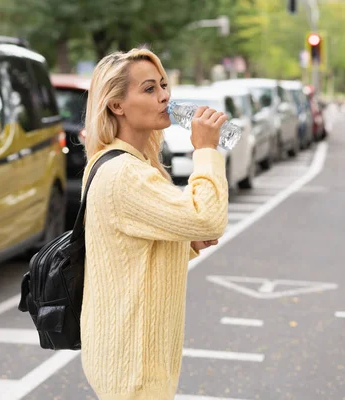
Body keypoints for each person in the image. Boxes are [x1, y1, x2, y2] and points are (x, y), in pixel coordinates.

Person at [80, 47, 229, 400]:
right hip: (134, 366)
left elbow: (126, 254)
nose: (165, 96)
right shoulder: (123, 173)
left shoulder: (122, 163)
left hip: (131, 358)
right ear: (117, 105)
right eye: (149, 89)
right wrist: (206, 150)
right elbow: (209, 218)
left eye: (163, 85)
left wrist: (184, 245)